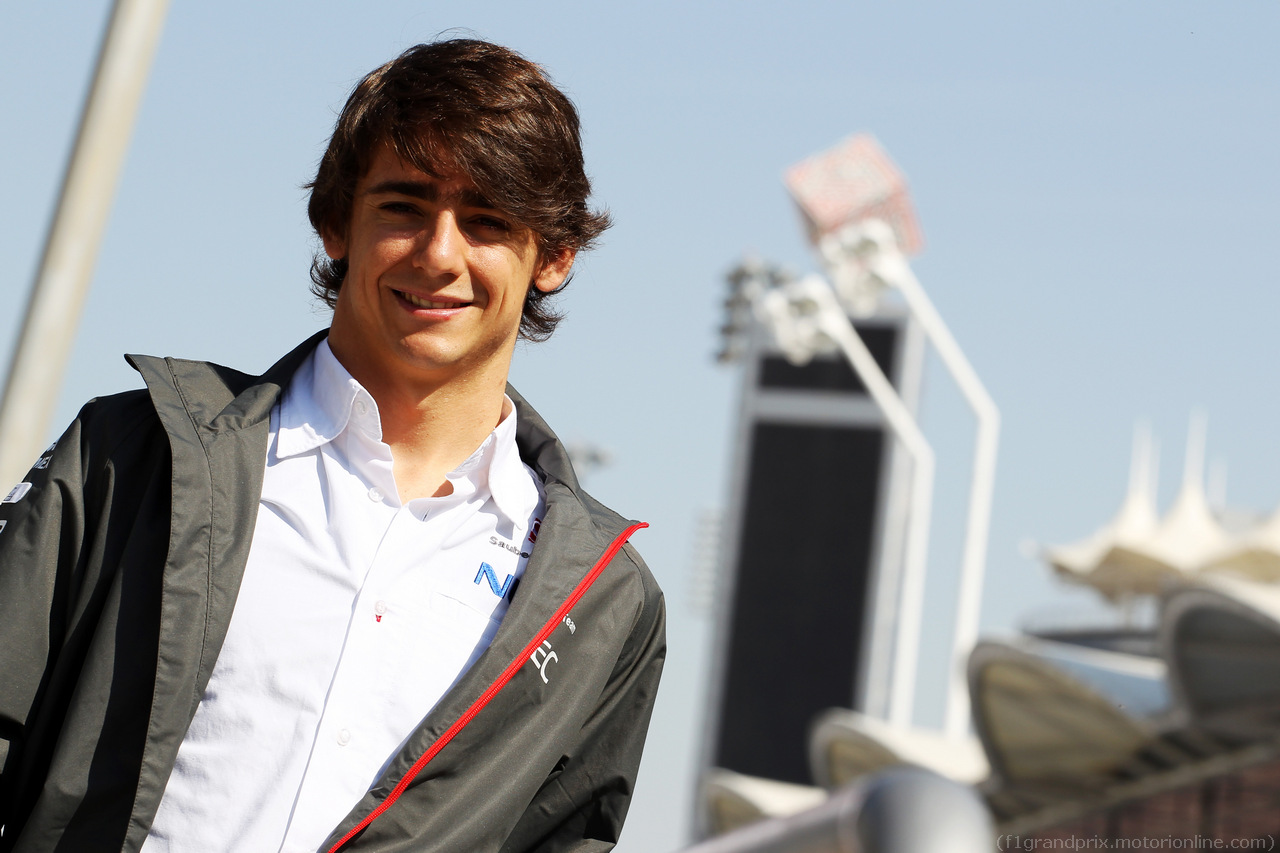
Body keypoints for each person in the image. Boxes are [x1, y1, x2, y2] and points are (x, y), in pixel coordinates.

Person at [0, 39, 665, 853]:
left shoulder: (604, 602)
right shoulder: (130, 455)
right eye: (404, 207)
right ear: (334, 222)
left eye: (488, 220)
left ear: (554, 257)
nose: (439, 253)